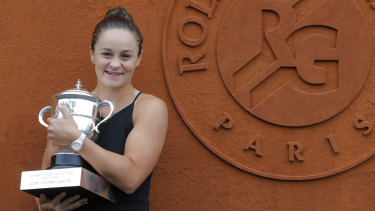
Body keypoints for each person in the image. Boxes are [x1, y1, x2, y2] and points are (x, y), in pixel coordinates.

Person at [37, 7, 168, 211]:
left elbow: (130, 179)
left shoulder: (150, 108)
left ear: (139, 58)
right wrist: (46, 205)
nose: (115, 64)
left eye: (125, 56)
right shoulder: (70, 107)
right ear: (92, 54)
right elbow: (47, 181)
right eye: (106, 54)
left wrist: (77, 139)